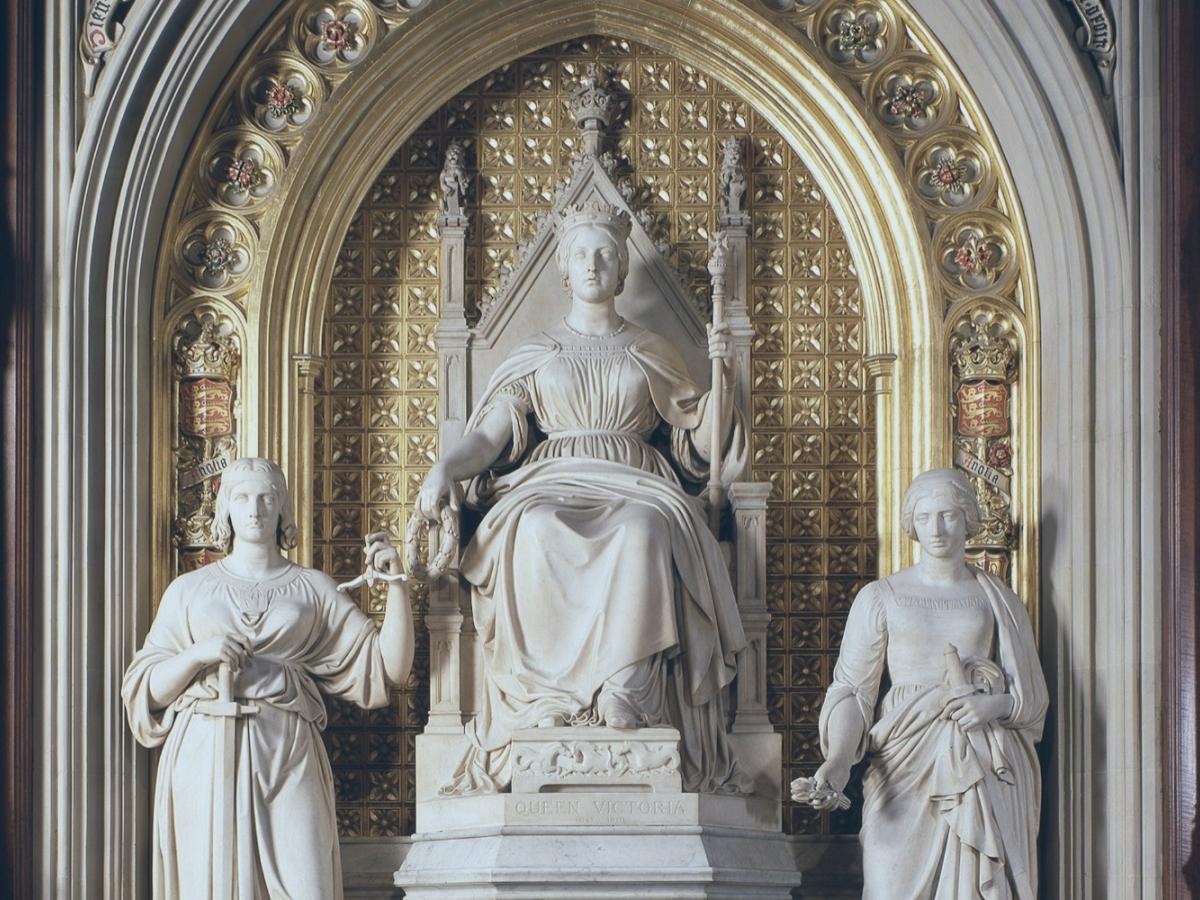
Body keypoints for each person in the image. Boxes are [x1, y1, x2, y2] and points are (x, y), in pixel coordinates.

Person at [417, 199, 750, 795]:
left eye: (605, 253)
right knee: (535, 528)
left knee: (644, 530)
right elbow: (491, 435)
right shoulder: (537, 353)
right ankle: (546, 700)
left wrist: (720, 376)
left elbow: (699, 441)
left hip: (638, 481)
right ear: (564, 270)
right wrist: (445, 467)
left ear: (622, 269)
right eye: (581, 253)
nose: (593, 263)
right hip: (551, 479)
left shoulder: (650, 348)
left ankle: (626, 694)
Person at [122, 457, 414, 900]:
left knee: (307, 886)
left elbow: (389, 668)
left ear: (283, 508)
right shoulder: (188, 591)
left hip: (287, 751)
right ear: (225, 510)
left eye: (266, 497)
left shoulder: (313, 589)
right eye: (241, 498)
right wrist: (199, 655)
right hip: (204, 754)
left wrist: (396, 584)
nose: (255, 509)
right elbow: (145, 691)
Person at [794, 468, 1047, 898]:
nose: (937, 528)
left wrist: (993, 707)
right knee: (888, 882)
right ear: (912, 522)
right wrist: (837, 761)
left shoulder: (997, 598)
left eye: (948, 515)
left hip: (977, 759)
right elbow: (854, 691)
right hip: (901, 763)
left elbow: (1032, 696)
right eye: (926, 516)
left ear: (968, 518)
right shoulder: (881, 596)